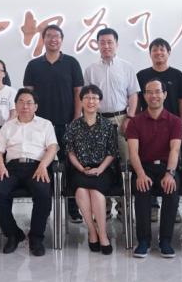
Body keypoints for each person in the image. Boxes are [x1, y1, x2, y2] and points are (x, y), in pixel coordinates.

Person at [23, 24, 85, 222]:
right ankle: (45, 209)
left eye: (56, 36)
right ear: (43, 39)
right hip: (40, 126)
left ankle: (73, 209)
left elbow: (78, 92)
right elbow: (28, 95)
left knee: (71, 165)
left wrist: (76, 118)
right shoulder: (34, 65)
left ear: (61, 39)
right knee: (43, 166)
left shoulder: (72, 63)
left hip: (67, 123)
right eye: (49, 36)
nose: (53, 39)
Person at [0, 88, 58, 256]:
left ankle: (36, 237)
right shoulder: (8, 126)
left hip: (37, 167)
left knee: (43, 192)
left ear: (36, 106)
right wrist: (0, 166)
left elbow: (52, 148)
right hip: (11, 168)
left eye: (29, 103)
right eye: (21, 102)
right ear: (16, 105)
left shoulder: (45, 124)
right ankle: (13, 234)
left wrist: (43, 166)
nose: (25, 106)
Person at [83, 28, 139, 219]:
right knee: (100, 163)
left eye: (110, 42)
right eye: (102, 42)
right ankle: (103, 209)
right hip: (97, 120)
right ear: (97, 45)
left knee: (126, 163)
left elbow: (133, 95)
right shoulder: (90, 70)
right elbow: (87, 98)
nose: (106, 46)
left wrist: (130, 117)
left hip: (122, 118)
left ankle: (124, 209)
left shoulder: (126, 67)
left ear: (116, 44)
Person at [127, 79, 182, 259]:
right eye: (149, 92)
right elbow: (133, 152)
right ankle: (143, 241)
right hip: (144, 167)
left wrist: (170, 174)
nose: (154, 96)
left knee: (171, 190)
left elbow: (175, 150)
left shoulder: (175, 121)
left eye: (157, 92)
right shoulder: (135, 122)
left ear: (164, 95)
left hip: (167, 167)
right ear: (144, 96)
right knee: (142, 190)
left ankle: (165, 240)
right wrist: (140, 174)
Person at [64, 85, 119, 255]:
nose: (91, 101)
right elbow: (70, 151)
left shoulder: (108, 125)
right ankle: (92, 231)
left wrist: (100, 169)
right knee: (81, 191)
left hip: (103, 169)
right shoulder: (73, 125)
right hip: (79, 169)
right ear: (81, 101)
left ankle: (102, 234)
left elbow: (112, 152)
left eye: (94, 98)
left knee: (95, 192)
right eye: (87, 98)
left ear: (99, 102)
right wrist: (81, 168)